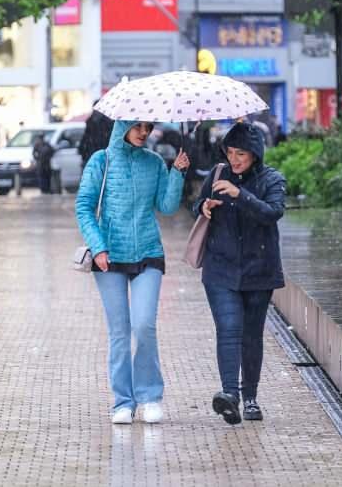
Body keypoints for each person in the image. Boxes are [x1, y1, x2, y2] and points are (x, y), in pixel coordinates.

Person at [76, 120, 190, 425]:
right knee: (119, 333)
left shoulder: (153, 163)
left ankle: (150, 396)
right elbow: (84, 206)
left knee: (143, 326)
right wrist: (98, 247)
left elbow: (166, 207)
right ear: (123, 125)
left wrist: (177, 172)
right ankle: (123, 402)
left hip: (148, 254)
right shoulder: (101, 160)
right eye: (137, 126)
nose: (144, 132)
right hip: (109, 257)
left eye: (148, 127)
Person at [193, 122, 286, 425]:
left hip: (259, 269)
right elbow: (198, 204)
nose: (234, 159)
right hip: (220, 268)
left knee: (251, 335)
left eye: (241, 153)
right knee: (229, 328)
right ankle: (229, 395)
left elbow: (273, 212)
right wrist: (204, 206)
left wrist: (239, 194)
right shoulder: (218, 175)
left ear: (255, 154)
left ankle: (251, 397)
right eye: (230, 152)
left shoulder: (272, 179)